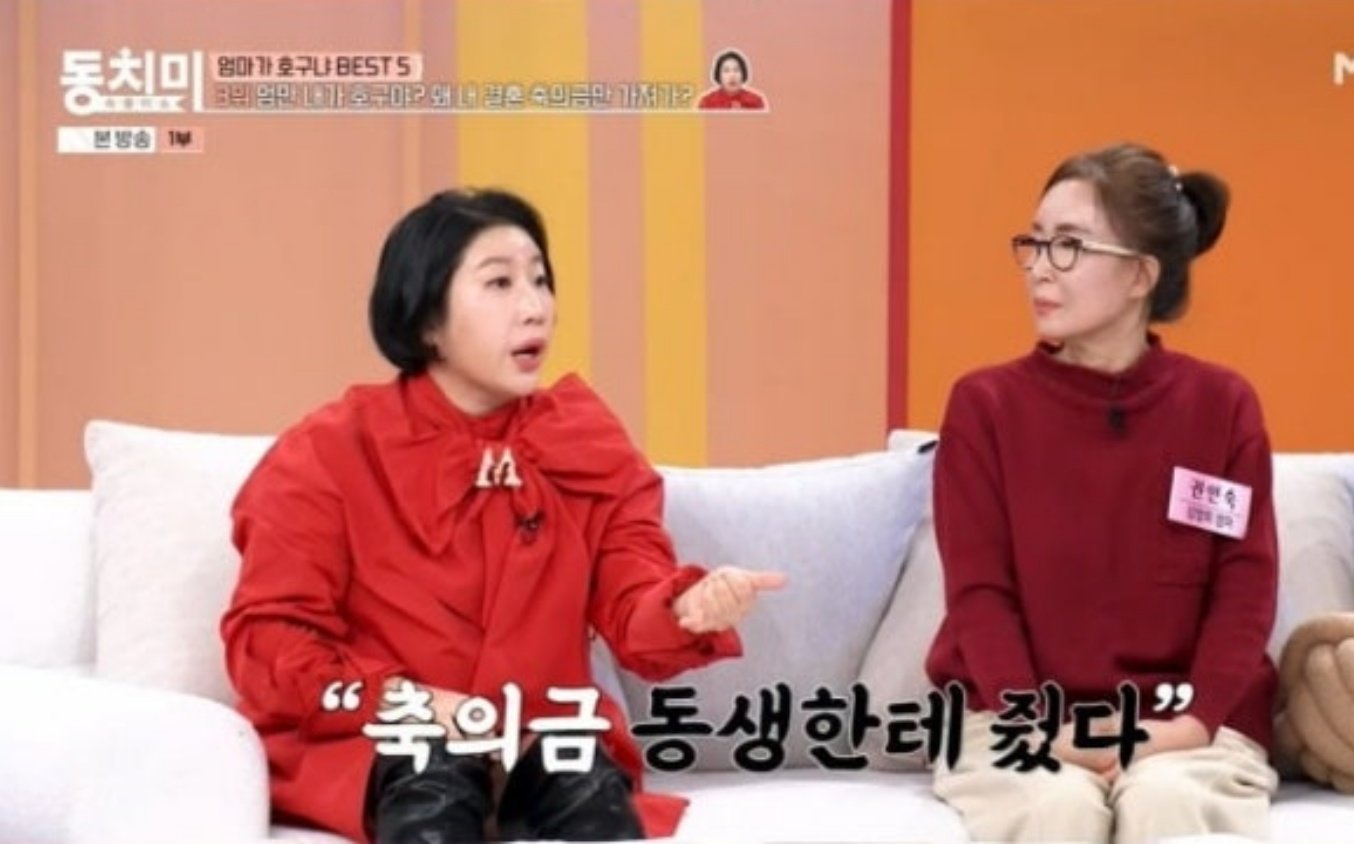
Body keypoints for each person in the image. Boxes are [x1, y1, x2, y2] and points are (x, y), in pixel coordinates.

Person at [221, 188, 786, 844]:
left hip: (538, 736)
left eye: (540, 280)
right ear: (427, 320)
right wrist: (416, 704)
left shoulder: (585, 442)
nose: (534, 307)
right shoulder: (327, 452)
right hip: (387, 737)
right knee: (431, 791)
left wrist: (685, 608)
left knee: (593, 798)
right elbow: (269, 641)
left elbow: (633, 596)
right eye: (499, 283)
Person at [925, 143, 1280, 843]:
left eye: (1069, 246)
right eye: (1034, 243)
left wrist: (1187, 727)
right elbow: (980, 595)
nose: (1040, 268)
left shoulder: (1222, 406)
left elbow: (1244, 589)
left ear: (1141, 275)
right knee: (1059, 809)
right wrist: (1042, 728)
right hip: (1010, 717)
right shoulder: (984, 406)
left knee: (1166, 803)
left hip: (1189, 724)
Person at [696, 49, 767, 110]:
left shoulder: (755, 101)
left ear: (743, 74)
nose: (732, 75)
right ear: (718, 75)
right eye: (726, 71)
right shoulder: (707, 102)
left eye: (736, 70)